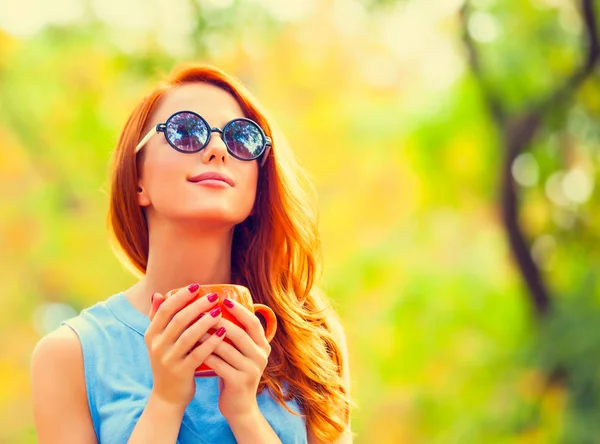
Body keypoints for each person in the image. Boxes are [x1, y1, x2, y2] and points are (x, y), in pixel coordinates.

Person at [30, 63, 352, 444]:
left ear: (256, 186)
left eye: (242, 139)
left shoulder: (310, 337)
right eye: (186, 131)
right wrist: (166, 401)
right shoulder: (72, 355)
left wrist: (243, 412)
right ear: (137, 180)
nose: (217, 149)